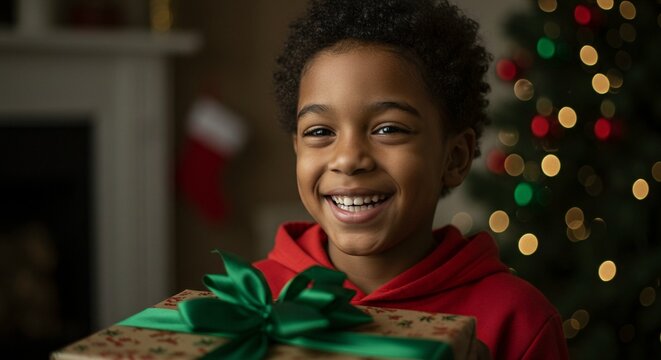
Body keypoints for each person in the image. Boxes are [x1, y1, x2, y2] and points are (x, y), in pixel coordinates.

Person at [254, 0, 569, 358]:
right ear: (297, 148)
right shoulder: (247, 301)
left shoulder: (518, 319)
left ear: (455, 157)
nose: (348, 159)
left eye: (388, 129)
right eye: (320, 131)